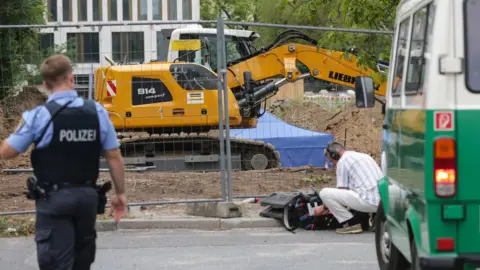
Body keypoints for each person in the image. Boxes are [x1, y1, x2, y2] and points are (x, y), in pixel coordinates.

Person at [0, 54, 127, 269]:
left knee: (56, 262)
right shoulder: (96, 112)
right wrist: (120, 194)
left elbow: (8, 151)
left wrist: (18, 129)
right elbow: (114, 156)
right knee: (81, 261)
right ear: (72, 78)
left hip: (53, 199)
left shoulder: (39, 116)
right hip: (87, 199)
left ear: (45, 85)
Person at [315, 141, 383, 234]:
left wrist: (323, 208)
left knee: (325, 193)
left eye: (331, 161)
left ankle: (351, 223)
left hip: (369, 202)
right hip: (383, 202)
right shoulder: (364, 156)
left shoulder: (342, 162)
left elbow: (341, 190)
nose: (333, 164)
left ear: (335, 155)